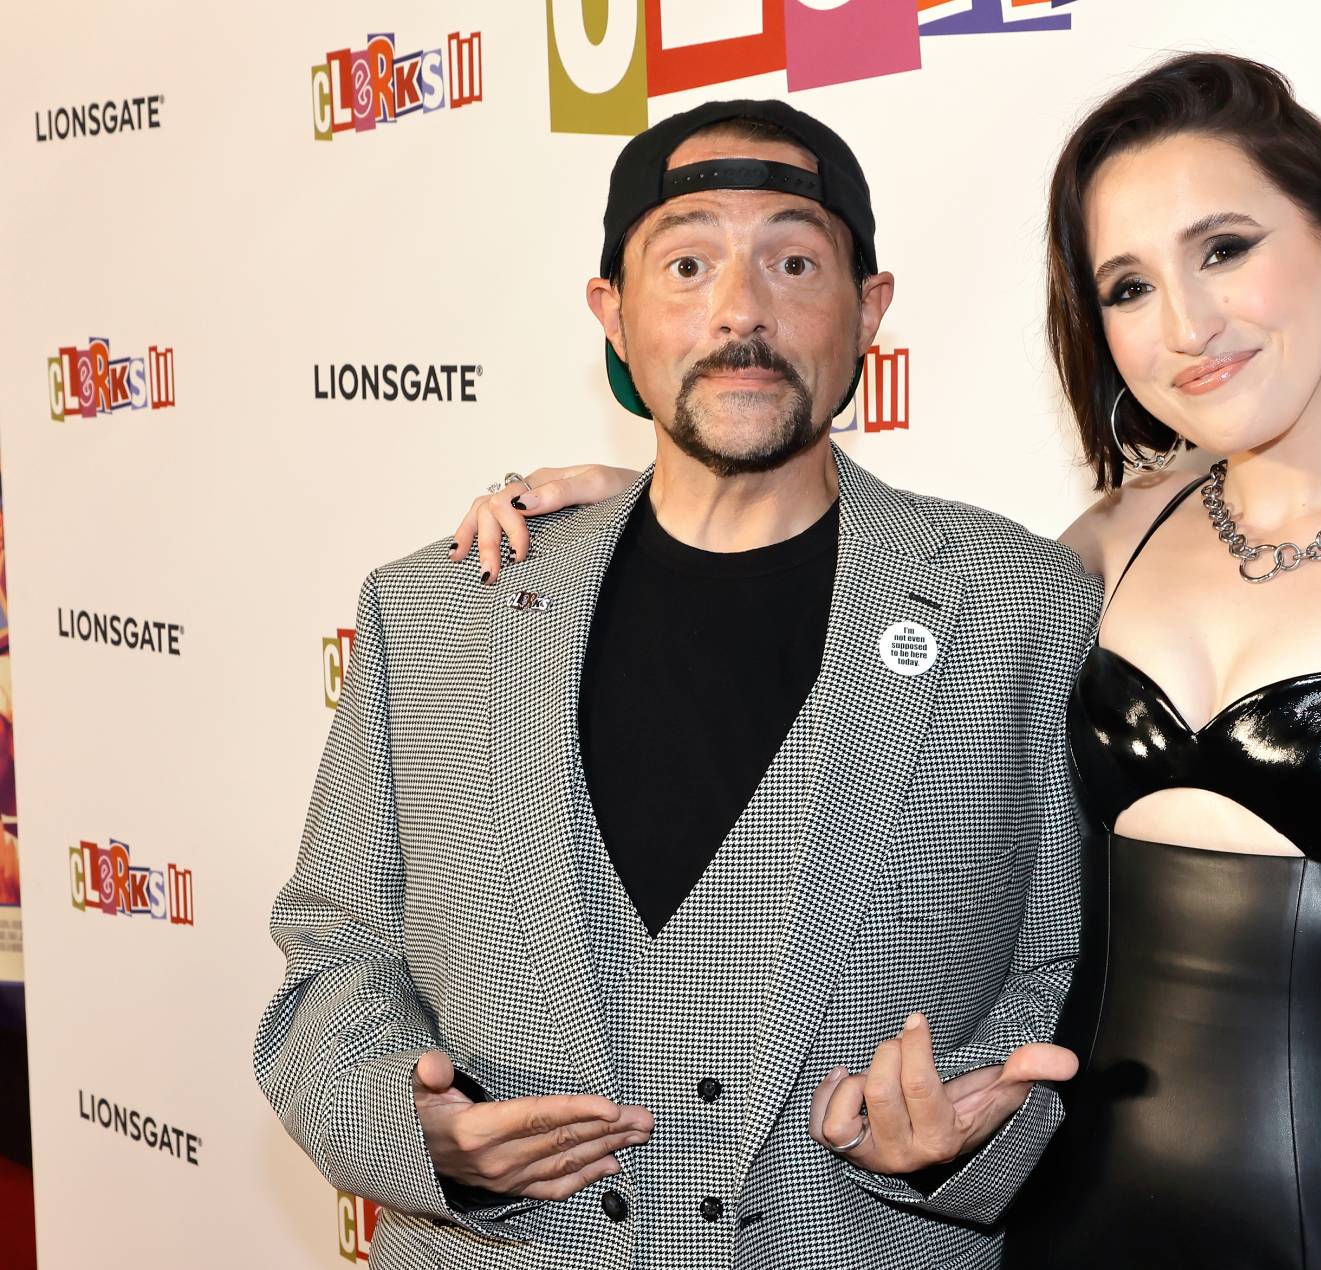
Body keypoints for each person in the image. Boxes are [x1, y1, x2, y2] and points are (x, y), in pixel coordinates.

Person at [460, 54, 1321, 1270]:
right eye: (1129, 286)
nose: (1186, 325)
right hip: (1069, 1230)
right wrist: (649, 510)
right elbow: (858, 591)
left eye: (1225, 248)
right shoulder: (1100, 549)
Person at [255, 99, 1098, 1270]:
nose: (739, 311)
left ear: (870, 310)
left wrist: (963, 1141)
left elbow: (1065, 971)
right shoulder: (437, 608)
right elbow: (335, 945)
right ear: (614, 312)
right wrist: (422, 1132)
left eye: (793, 261)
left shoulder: (1026, 607)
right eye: (688, 261)